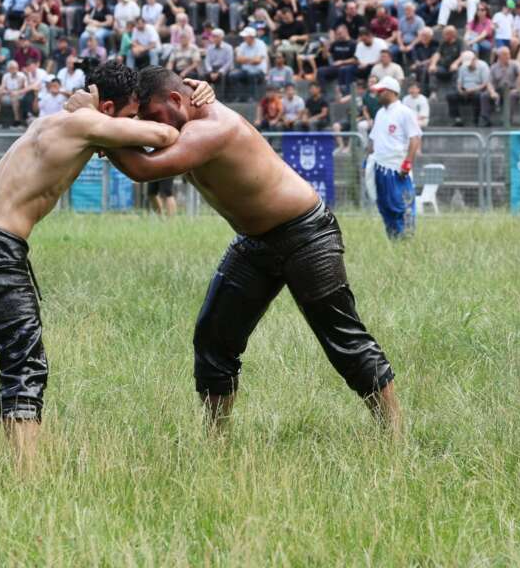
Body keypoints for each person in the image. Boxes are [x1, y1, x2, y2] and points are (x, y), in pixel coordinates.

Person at [0, 64, 215, 468]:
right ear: (107, 108)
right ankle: (27, 479)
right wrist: (201, 99)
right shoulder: (86, 123)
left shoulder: (52, 120)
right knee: (24, 364)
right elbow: (166, 135)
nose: (133, 123)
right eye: (129, 115)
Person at [75, 67, 401, 434]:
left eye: (151, 117)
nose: (149, 127)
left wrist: (96, 127)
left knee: (342, 337)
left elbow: (143, 168)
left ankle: (393, 434)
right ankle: (217, 440)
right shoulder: (184, 118)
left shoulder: (210, 128)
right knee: (213, 337)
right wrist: (107, 124)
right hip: (254, 241)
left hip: (306, 234)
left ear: (177, 100)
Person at [366, 76, 421, 239]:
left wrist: (407, 163)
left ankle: (407, 237)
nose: (377, 95)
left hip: (396, 167)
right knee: (385, 205)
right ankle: (393, 238)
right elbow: (373, 139)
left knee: (402, 204)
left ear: (391, 92)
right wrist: (368, 158)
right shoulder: (380, 113)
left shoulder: (405, 112)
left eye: (380, 91)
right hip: (380, 166)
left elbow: (415, 138)